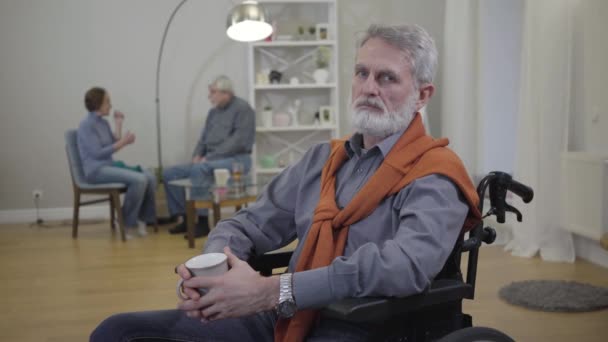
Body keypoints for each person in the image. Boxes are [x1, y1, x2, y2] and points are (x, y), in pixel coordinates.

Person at [91, 24, 482, 341]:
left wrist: (274, 290)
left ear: (421, 95)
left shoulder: (436, 173)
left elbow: (404, 267)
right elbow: (247, 223)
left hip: (367, 325)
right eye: (362, 73)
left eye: (387, 78)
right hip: (283, 316)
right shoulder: (322, 160)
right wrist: (211, 274)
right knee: (117, 332)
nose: (368, 88)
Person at [162, 75, 255, 238]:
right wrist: (197, 155)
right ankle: (186, 218)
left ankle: (203, 222)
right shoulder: (213, 112)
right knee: (171, 173)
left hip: (237, 159)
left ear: (226, 93)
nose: (209, 96)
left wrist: (209, 158)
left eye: (213, 92)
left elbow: (238, 142)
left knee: (200, 169)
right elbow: (203, 139)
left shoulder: (243, 109)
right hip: (209, 159)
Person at [77, 87, 157, 239]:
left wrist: (118, 123)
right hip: (96, 170)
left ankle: (142, 219)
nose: (110, 105)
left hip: (108, 166)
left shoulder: (103, 123)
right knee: (139, 180)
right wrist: (123, 143)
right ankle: (124, 223)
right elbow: (97, 153)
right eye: (107, 101)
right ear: (98, 103)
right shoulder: (86, 125)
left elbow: (114, 141)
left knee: (150, 176)